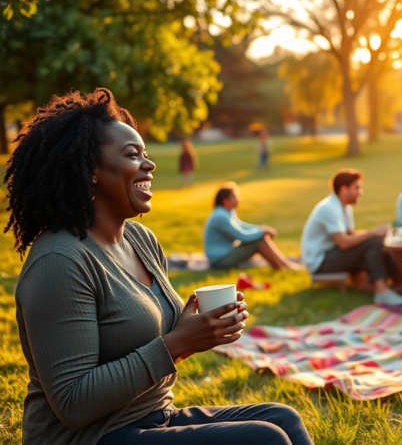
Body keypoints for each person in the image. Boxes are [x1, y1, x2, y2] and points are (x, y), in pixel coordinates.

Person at [7, 88, 313, 445]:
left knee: (282, 419)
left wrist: (196, 330)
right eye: (132, 155)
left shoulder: (141, 240)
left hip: (152, 419)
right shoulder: (59, 260)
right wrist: (176, 344)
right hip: (89, 437)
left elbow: (150, 341)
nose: (149, 164)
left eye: (146, 153)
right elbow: (73, 403)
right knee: (264, 440)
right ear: (90, 170)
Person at [301, 169, 402, 305]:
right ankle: (382, 291)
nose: (360, 192)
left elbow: (350, 235)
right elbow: (344, 243)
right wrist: (372, 233)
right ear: (344, 189)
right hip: (320, 262)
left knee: (375, 245)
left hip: (332, 254)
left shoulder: (345, 208)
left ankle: (397, 283)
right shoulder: (330, 208)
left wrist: (376, 233)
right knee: (373, 243)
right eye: (357, 188)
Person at [203, 182, 300, 270]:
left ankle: (285, 265)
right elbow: (241, 236)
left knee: (259, 238)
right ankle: (282, 268)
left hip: (226, 254)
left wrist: (261, 229)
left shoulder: (228, 212)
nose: (239, 199)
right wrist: (261, 232)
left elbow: (242, 226)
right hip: (219, 261)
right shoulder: (220, 216)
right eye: (235, 196)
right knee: (259, 241)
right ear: (226, 201)